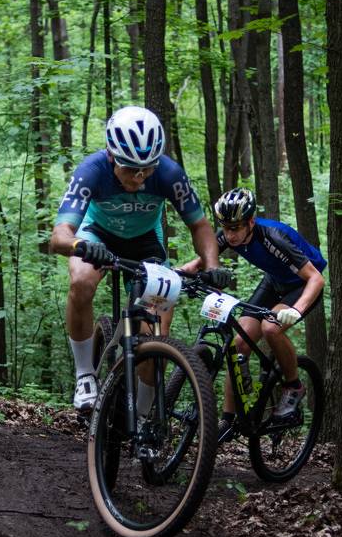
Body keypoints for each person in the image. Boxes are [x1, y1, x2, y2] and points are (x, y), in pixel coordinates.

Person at [49, 106, 222, 414]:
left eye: (147, 169)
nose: (140, 177)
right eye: (131, 169)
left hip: (145, 242)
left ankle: (142, 416)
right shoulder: (91, 171)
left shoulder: (169, 174)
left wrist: (212, 266)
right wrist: (79, 245)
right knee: (82, 281)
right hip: (97, 234)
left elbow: (199, 225)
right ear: (111, 155)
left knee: (157, 334)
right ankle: (85, 374)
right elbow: (59, 236)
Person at [181, 187, 325, 433]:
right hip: (274, 282)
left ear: (251, 222)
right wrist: (178, 275)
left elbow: (316, 279)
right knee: (238, 344)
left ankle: (293, 387)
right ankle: (228, 420)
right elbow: (198, 263)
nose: (230, 235)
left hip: (302, 285)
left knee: (271, 328)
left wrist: (297, 310)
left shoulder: (274, 237)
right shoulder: (229, 234)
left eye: (235, 228)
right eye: (225, 227)